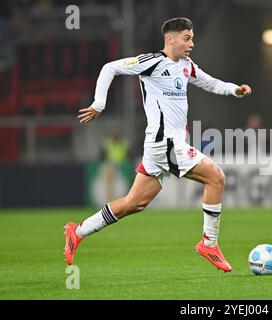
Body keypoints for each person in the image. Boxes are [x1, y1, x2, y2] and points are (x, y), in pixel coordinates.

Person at [64, 17, 252, 272]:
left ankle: (78, 230)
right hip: (166, 142)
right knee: (216, 177)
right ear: (171, 39)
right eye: (187, 38)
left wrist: (234, 90)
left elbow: (210, 82)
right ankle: (209, 243)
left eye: (193, 38)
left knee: (134, 203)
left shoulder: (186, 65)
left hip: (161, 145)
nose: (192, 43)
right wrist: (99, 104)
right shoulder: (151, 62)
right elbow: (110, 68)